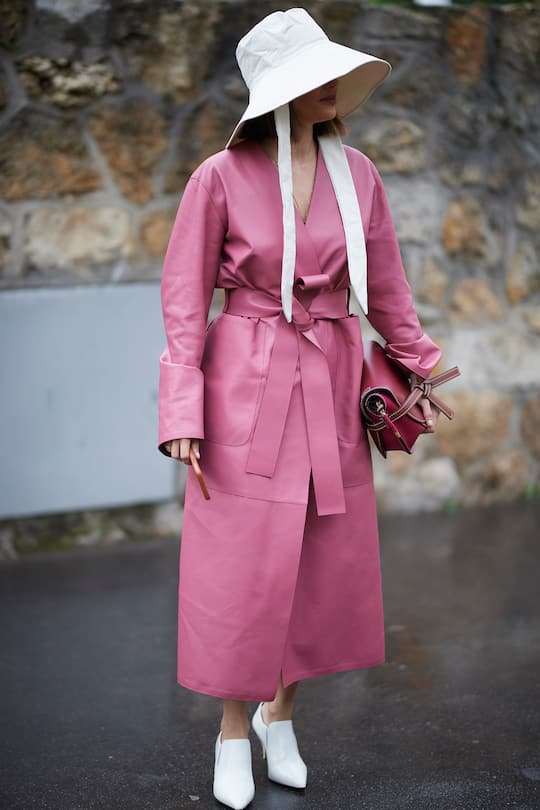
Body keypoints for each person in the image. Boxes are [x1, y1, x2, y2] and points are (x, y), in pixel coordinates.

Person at [157, 8, 441, 809]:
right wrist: (182, 411)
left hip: (332, 375)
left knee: (319, 558)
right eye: (309, 77)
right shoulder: (218, 175)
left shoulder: (361, 173)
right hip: (242, 380)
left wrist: (419, 366)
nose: (329, 88)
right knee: (242, 566)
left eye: (330, 74)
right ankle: (233, 734)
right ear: (276, 92)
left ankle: (284, 718)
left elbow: (386, 284)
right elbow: (184, 299)